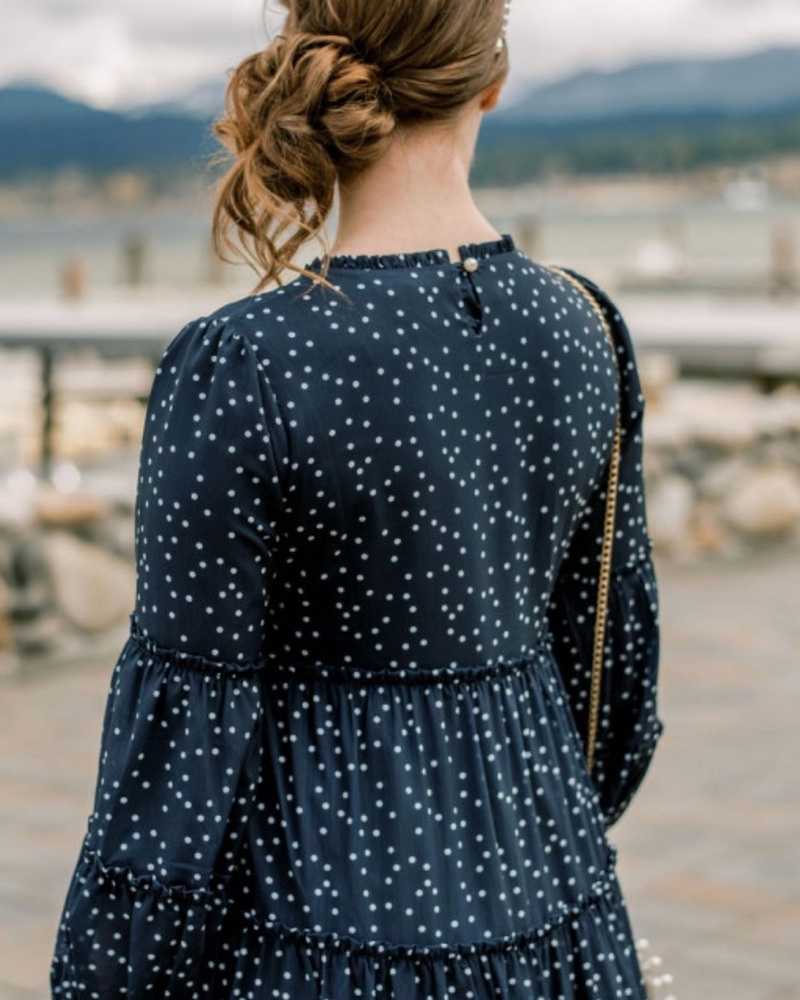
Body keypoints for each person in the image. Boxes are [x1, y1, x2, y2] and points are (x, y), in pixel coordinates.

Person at [50, 0, 664, 996]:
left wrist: (104, 974)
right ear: (492, 79)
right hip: (561, 915)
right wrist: (530, 835)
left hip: (312, 938)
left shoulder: (246, 363)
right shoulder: (584, 325)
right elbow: (618, 677)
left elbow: (181, 755)